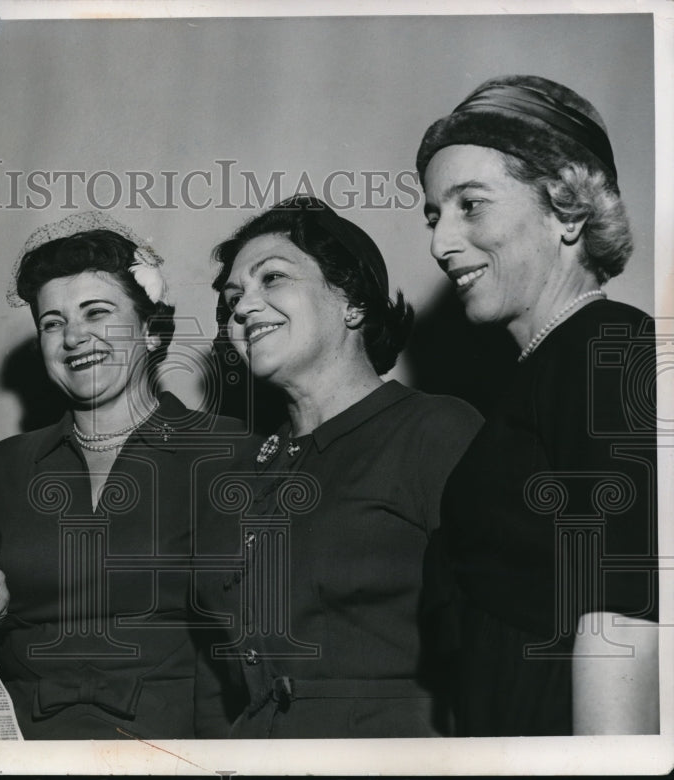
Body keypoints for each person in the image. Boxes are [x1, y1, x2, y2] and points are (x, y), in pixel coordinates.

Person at [415, 74, 659, 735]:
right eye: (435, 215)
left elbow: (623, 615)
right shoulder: (539, 375)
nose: (440, 244)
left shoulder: (607, 349)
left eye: (472, 206)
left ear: (568, 210)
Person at [194, 195, 483, 738]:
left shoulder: (434, 431)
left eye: (272, 278)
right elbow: (216, 680)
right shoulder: (232, 476)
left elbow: (493, 637)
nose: (243, 308)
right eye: (234, 298)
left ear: (352, 303)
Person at [0, 211, 249, 739]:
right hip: (24, 756)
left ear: (149, 330)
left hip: (177, 755)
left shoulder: (231, 452)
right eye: (52, 323)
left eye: (96, 313)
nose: (74, 337)